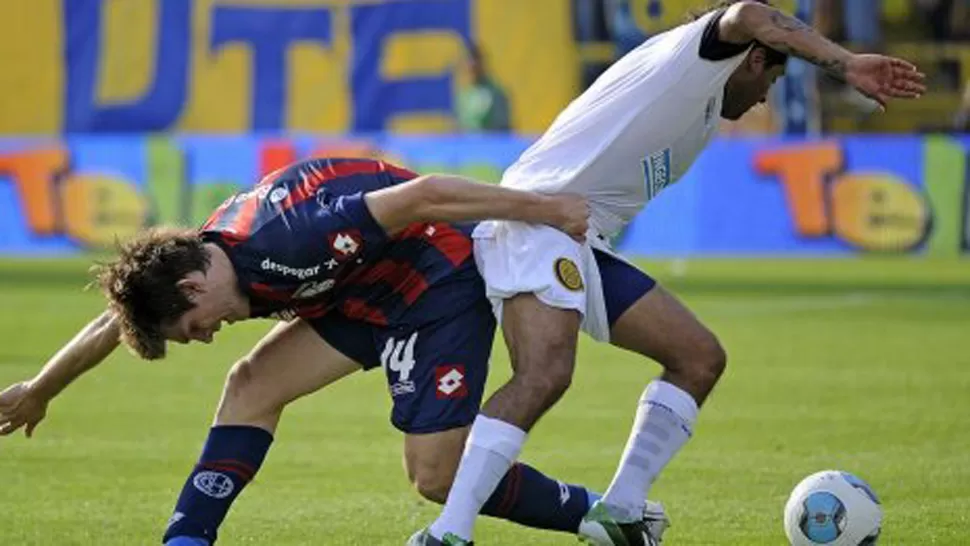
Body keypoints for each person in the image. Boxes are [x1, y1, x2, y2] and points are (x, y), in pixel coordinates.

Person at [411, 1, 927, 545]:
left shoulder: (702, 105)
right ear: (752, 60)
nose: (763, 99)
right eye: (771, 80)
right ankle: (448, 534)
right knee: (544, 374)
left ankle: (621, 510)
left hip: (580, 240)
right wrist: (844, 64)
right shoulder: (690, 60)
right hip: (535, 220)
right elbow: (749, 12)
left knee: (698, 358)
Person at [0, 158, 650, 545]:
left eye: (190, 326)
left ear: (194, 287)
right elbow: (109, 325)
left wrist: (544, 210)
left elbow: (423, 196)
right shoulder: (198, 262)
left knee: (435, 476)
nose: (198, 337)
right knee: (250, 384)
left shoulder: (296, 238)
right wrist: (41, 390)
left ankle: (596, 517)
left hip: (433, 278)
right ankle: (187, 537)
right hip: (360, 293)